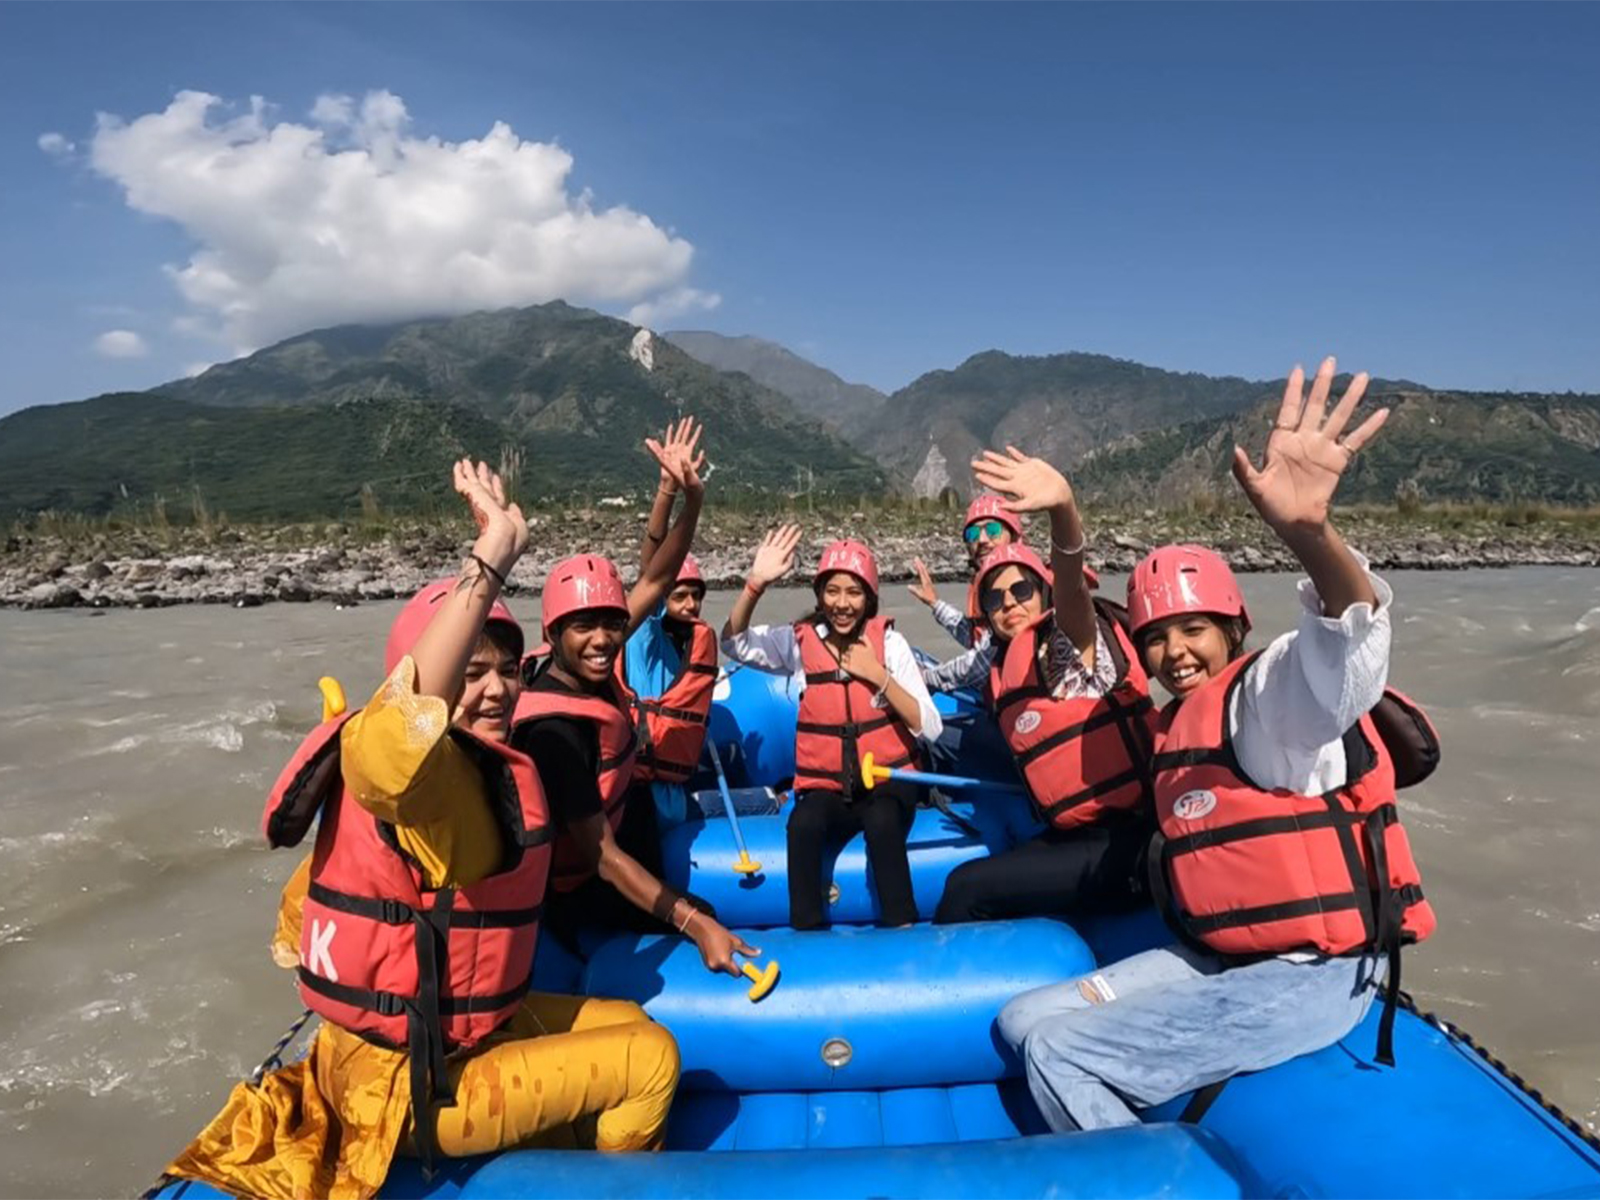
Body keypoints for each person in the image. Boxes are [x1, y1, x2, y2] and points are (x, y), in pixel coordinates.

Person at [170, 460, 680, 1200]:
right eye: (471, 673)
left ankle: (557, 1144)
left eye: (507, 670)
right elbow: (392, 742)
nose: (500, 688)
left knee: (622, 1018)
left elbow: (296, 931)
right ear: (427, 687)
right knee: (653, 1059)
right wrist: (492, 559)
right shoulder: (416, 777)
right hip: (405, 1086)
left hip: (441, 1038)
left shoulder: (457, 774)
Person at [998, 358, 1438, 1133]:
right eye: (1157, 639)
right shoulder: (1177, 724)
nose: (1176, 654)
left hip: (1314, 973)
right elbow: (1078, 625)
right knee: (1021, 1021)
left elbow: (1347, 657)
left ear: (1232, 630)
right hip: (1222, 956)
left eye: (1193, 631)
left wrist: (1312, 538)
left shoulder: (1269, 698)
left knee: (1058, 1053)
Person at [512, 427, 752, 974]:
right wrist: (696, 923)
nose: (600, 641)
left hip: (627, 806)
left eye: (609, 625)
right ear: (552, 634)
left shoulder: (591, 660)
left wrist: (691, 497)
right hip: (576, 882)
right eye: (582, 628)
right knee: (705, 912)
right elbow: (603, 859)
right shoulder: (554, 734)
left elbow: (660, 574)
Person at [924, 448, 1156, 924]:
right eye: (995, 597)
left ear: (1043, 593)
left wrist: (1062, 511)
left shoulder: (1067, 647)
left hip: (1124, 840)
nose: (1008, 602)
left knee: (963, 887)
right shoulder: (1004, 659)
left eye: (1021, 590)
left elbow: (1071, 585)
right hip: (1072, 834)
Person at [722, 530, 943, 929]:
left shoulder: (889, 645)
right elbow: (734, 643)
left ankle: (902, 923)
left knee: (881, 820)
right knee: (802, 824)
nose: (842, 604)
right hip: (828, 787)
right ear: (820, 595)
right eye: (832, 592)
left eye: (854, 593)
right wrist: (755, 585)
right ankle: (807, 932)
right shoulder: (798, 644)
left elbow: (930, 726)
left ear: (870, 598)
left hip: (888, 782)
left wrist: (878, 676)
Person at [623, 417, 719, 830]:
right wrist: (667, 492)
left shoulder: (693, 644)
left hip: (673, 789)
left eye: (696, 596)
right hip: (635, 784)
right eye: (680, 596)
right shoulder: (644, 634)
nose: (691, 604)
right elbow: (652, 571)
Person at [907, 492, 1025, 654]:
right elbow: (974, 637)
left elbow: (982, 660)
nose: (982, 540)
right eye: (973, 534)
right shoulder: (985, 587)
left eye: (993, 530)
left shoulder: (1027, 587)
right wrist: (935, 603)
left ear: (1013, 537)